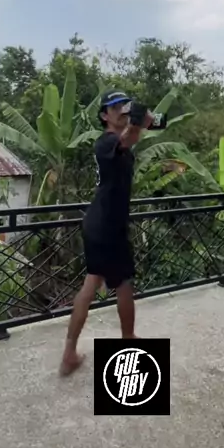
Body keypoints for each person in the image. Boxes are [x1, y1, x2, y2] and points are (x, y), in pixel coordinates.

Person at [60, 91, 152, 376]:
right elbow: (128, 138)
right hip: (107, 227)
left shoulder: (119, 139)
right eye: (115, 107)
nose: (121, 110)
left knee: (93, 286)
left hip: (103, 224)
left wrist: (145, 118)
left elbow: (145, 128)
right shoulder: (106, 141)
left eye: (124, 105)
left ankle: (70, 353)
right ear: (104, 115)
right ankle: (127, 338)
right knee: (120, 285)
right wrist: (137, 119)